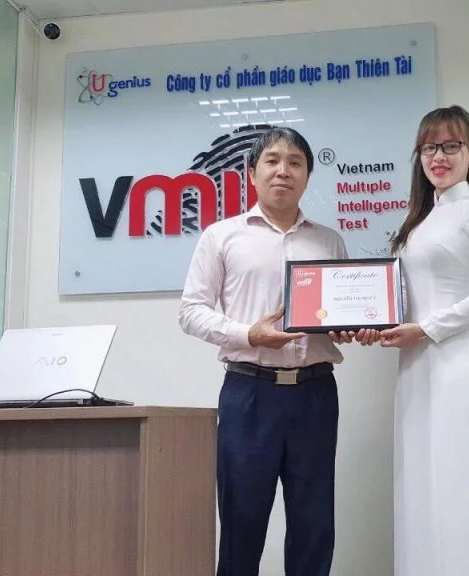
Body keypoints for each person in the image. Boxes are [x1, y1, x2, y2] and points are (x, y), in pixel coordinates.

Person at [178, 126, 376, 576]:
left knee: (313, 523)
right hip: (249, 394)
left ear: (307, 176)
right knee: (241, 523)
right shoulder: (221, 236)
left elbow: (337, 314)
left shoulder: (329, 241)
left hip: (315, 394)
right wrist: (249, 334)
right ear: (252, 173)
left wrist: (353, 328)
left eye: (295, 162)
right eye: (272, 160)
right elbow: (190, 312)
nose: (283, 171)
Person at [378, 105, 469, 576]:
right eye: (428, 148)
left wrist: (428, 329)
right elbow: (404, 298)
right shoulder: (417, 222)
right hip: (416, 367)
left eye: (450, 146)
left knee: (460, 485)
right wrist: (374, 324)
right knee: (421, 486)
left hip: (457, 365)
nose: (438, 157)